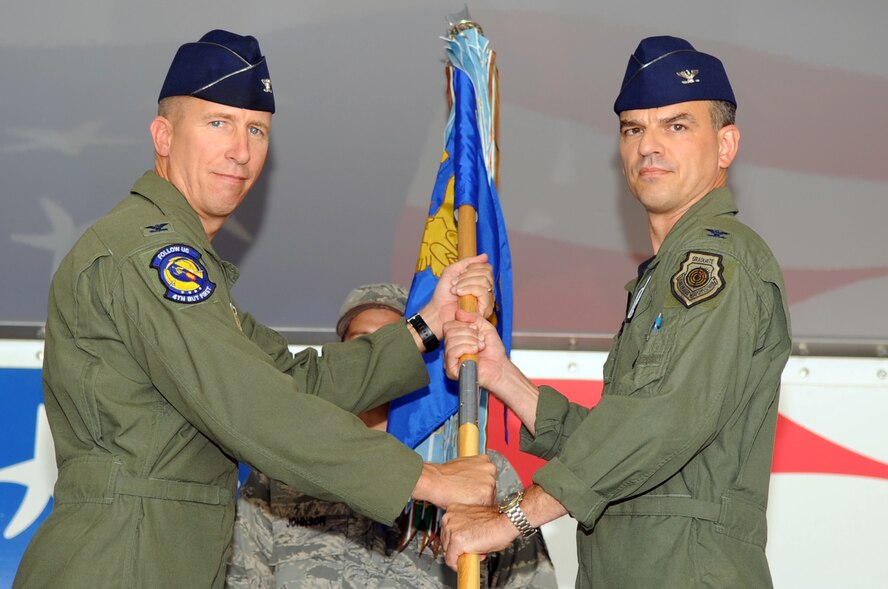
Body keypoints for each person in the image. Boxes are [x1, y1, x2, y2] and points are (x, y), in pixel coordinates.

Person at [14, 30, 499, 589]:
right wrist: (430, 480)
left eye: (256, 130)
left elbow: (294, 380)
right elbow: (253, 406)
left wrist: (425, 325)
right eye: (217, 123)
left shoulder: (179, 258)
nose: (240, 151)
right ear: (163, 135)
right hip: (122, 560)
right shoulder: (151, 255)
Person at [440, 35, 792, 588]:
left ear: (726, 146)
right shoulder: (663, 273)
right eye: (634, 129)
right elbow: (621, 436)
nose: (648, 146)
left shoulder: (718, 260)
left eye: (676, 126)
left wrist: (511, 519)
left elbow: (659, 423)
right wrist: (501, 376)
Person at [226, 283, 558, 588]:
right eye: (363, 344)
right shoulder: (284, 467)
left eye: (394, 340)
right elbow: (243, 577)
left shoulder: (478, 473)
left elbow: (529, 580)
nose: (381, 355)